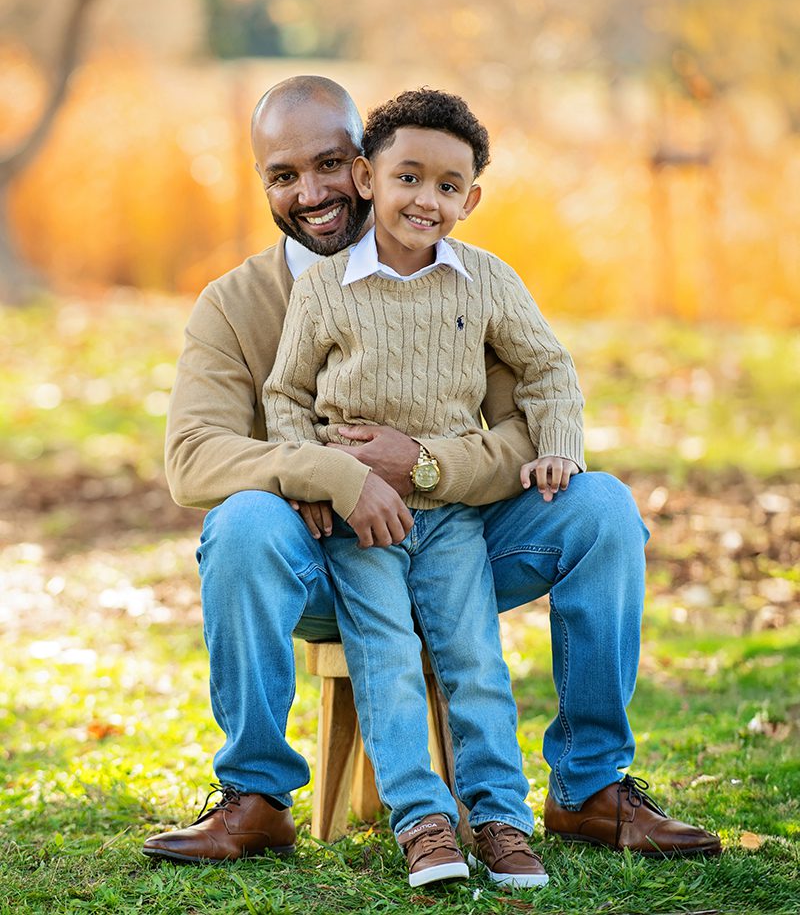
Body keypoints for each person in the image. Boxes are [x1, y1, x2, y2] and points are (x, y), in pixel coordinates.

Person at [142, 75, 721, 868]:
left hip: (459, 543)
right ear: (262, 183)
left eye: (329, 164)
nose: (311, 193)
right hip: (319, 562)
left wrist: (421, 465)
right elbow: (193, 458)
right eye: (283, 176)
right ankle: (256, 797)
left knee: (603, 510)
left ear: (366, 164)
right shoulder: (233, 304)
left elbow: (526, 431)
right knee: (240, 523)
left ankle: (589, 787)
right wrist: (334, 475)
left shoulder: (464, 277)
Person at [263, 87, 583, 888]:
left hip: (451, 520)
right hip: (361, 523)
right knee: (387, 659)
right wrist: (311, 477)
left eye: (448, 186)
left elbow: (547, 368)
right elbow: (286, 395)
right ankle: (423, 823)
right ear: (367, 178)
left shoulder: (486, 280)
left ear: (470, 200)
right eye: (408, 177)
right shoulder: (325, 288)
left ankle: (500, 820)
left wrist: (559, 448)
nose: (426, 200)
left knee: (474, 659)